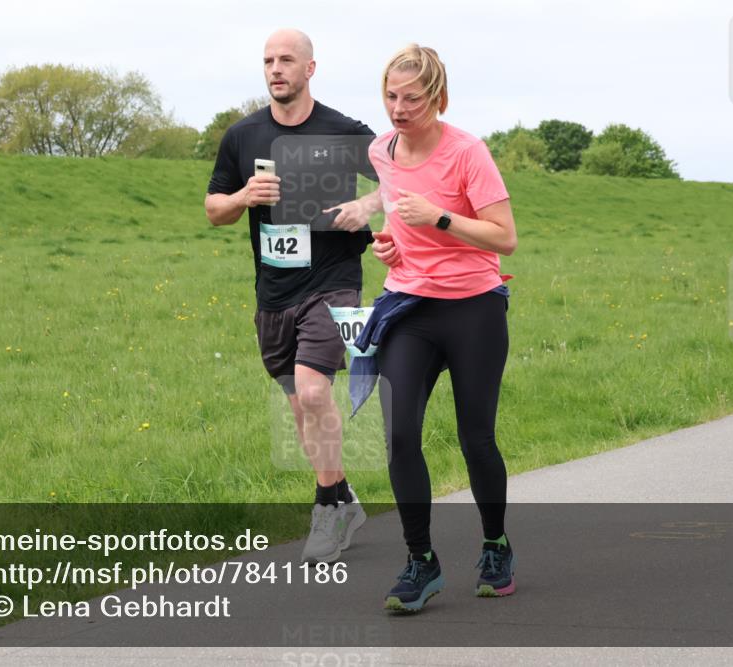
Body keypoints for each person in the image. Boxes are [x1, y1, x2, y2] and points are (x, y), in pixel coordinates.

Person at [204, 28, 382, 563]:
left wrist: (367, 207)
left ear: (310, 69)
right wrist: (241, 196)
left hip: (333, 279)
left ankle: (326, 510)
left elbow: (399, 178)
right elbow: (214, 210)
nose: (275, 68)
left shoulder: (344, 131)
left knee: (311, 392)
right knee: (302, 410)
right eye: (267, 61)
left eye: (286, 60)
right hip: (274, 291)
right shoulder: (242, 137)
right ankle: (344, 495)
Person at [365, 44, 518, 611]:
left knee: (475, 437)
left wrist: (441, 218)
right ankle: (420, 561)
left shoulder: (467, 153)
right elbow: (395, 218)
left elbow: (504, 237)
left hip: (473, 308)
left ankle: (496, 545)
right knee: (400, 433)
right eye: (390, 96)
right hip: (408, 307)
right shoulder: (382, 150)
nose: (398, 109)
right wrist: (389, 244)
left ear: (438, 99)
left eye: (412, 98)